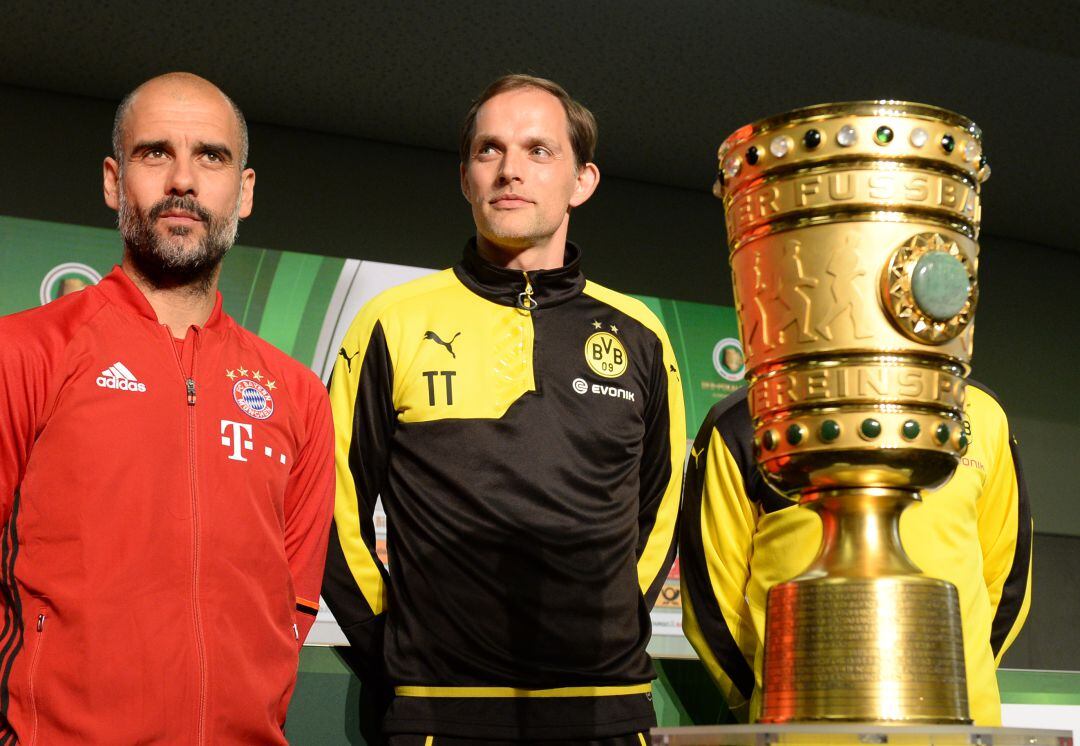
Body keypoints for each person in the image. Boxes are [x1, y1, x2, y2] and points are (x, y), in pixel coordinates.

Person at [322, 74, 685, 742]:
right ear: (466, 178)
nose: (511, 170)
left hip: (607, 709)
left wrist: (601, 623)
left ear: (583, 180)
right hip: (442, 711)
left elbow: (660, 510)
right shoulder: (391, 323)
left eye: (538, 150)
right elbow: (327, 506)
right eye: (490, 151)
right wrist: (399, 648)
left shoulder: (640, 333)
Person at [0, 72, 335, 743]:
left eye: (211, 156)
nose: (183, 179)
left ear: (243, 192)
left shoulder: (297, 393)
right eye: (154, 153)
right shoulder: (23, 352)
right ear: (112, 181)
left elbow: (291, 610)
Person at [680, 380, 1032, 725]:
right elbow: (714, 605)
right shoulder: (744, 420)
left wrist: (959, 683)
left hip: (961, 727)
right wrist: (775, 703)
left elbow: (1007, 574)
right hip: (803, 732)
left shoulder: (982, 413)